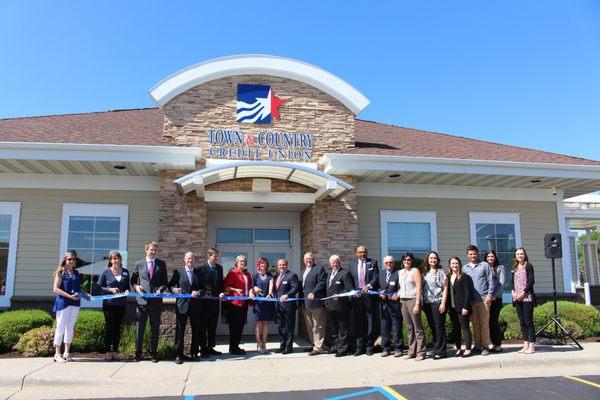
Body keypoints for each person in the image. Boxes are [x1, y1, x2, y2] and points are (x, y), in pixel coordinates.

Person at [131, 241, 168, 362]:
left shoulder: (161, 264)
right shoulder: (139, 264)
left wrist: (161, 289)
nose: (153, 252)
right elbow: (133, 281)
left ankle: (153, 354)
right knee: (139, 329)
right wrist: (136, 287)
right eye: (151, 249)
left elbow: (164, 282)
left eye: (155, 250)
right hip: (142, 301)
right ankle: (137, 354)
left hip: (156, 302)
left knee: (154, 329)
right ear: (146, 250)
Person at [52, 251, 91, 363]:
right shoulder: (61, 272)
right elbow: (56, 289)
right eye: (69, 259)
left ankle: (67, 352)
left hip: (75, 304)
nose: (71, 261)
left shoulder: (77, 273)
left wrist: (86, 294)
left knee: (70, 327)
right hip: (63, 303)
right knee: (60, 327)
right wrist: (69, 296)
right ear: (65, 260)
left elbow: (79, 289)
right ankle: (57, 353)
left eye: (73, 259)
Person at [168, 251, 205, 364]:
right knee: (180, 331)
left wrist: (198, 292)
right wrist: (173, 290)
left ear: (194, 260)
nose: (190, 260)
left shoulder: (199, 273)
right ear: (184, 259)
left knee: (196, 331)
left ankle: (194, 353)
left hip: (195, 307)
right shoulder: (178, 272)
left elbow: (203, 289)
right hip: (182, 305)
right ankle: (178, 355)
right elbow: (170, 286)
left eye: (192, 259)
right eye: (188, 258)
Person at [97, 251, 129, 361]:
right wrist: (109, 289)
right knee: (109, 328)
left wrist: (127, 291)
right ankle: (108, 352)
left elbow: (127, 287)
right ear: (110, 260)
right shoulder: (105, 272)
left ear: (121, 260)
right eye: (114, 259)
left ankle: (115, 352)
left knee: (117, 328)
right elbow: (99, 288)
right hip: (109, 305)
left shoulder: (125, 272)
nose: (116, 260)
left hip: (121, 304)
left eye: (118, 258)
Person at [463, 245, 495, 356]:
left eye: (474, 253)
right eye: (470, 254)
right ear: (467, 255)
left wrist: (489, 295)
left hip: (484, 300)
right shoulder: (465, 268)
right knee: (475, 324)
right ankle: (477, 345)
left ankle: (485, 346)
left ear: (478, 254)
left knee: (484, 324)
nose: (473, 256)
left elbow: (491, 281)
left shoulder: (484, 265)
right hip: (471, 301)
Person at [349, 245, 379, 356]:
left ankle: (369, 347)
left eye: (364, 252)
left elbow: (375, 277)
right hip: (357, 298)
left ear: (367, 252)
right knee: (359, 322)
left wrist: (369, 286)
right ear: (356, 253)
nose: (362, 254)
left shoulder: (373, 263)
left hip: (369, 296)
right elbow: (350, 279)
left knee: (370, 322)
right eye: (360, 252)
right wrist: (353, 291)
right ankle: (359, 347)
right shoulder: (352, 264)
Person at [397, 252, 426, 361]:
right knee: (409, 328)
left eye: (408, 259)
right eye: (404, 260)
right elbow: (402, 287)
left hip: (413, 300)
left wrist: (417, 304)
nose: (406, 261)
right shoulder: (400, 272)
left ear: (411, 261)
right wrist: (398, 293)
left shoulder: (415, 271)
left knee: (417, 327)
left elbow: (419, 288)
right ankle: (411, 351)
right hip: (403, 301)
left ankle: (421, 352)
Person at [325, 255, 354, 357]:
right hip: (330, 306)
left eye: (336, 262)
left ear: (339, 263)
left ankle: (343, 349)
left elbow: (349, 289)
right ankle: (335, 347)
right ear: (330, 264)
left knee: (342, 329)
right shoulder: (329, 273)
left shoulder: (345, 273)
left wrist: (340, 296)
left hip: (341, 306)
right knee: (334, 328)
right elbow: (328, 288)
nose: (334, 264)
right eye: (333, 262)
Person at [198, 248, 225, 358]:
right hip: (204, 303)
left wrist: (222, 292)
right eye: (215, 256)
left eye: (217, 256)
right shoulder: (201, 269)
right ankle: (203, 348)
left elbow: (221, 285)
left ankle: (210, 347)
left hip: (215, 303)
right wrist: (204, 291)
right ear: (209, 256)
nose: (216, 258)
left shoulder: (219, 268)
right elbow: (199, 284)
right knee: (203, 326)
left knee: (212, 326)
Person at [299, 252, 327, 356]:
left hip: (317, 303)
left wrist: (314, 292)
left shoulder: (319, 269)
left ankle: (318, 347)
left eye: (310, 258)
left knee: (318, 325)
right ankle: (313, 344)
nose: (308, 260)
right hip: (306, 304)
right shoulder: (302, 271)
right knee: (310, 326)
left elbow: (322, 283)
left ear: (313, 259)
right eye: (306, 259)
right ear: (304, 260)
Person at [223, 255, 252, 355]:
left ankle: (236, 346)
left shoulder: (247, 274)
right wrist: (235, 290)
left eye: (244, 261)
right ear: (236, 263)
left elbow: (250, 287)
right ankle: (233, 348)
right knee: (234, 327)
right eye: (240, 261)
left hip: (244, 303)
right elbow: (226, 287)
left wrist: (252, 291)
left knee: (240, 326)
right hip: (234, 304)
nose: (242, 263)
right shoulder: (232, 272)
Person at [422, 251, 448, 359]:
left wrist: (443, 303)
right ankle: (436, 348)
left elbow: (445, 288)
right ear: (427, 260)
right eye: (431, 258)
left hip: (438, 303)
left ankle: (441, 351)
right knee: (433, 327)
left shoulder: (441, 272)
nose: (433, 260)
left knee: (439, 327)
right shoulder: (424, 272)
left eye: (435, 258)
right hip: (427, 304)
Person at [446, 256, 474, 357]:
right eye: (453, 263)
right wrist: (448, 306)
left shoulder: (464, 276)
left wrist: (466, 307)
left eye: (456, 263)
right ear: (450, 265)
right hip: (452, 308)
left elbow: (467, 293)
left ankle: (468, 349)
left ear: (459, 264)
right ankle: (458, 348)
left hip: (462, 308)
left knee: (465, 328)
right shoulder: (448, 277)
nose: (454, 265)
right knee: (456, 329)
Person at [512, 247, 536, 354]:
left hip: (526, 297)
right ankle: (525, 344)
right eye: (518, 254)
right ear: (515, 256)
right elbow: (512, 282)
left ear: (525, 255)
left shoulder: (528, 265)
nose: (520, 256)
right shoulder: (515, 267)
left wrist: (522, 293)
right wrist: (513, 292)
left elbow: (531, 282)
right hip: (517, 298)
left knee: (528, 321)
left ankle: (532, 345)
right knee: (522, 322)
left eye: (521, 254)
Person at [378, 255, 403, 357]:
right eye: (386, 262)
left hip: (395, 305)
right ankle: (385, 349)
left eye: (390, 262)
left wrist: (397, 293)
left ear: (394, 263)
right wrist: (380, 293)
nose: (388, 264)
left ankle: (398, 349)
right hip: (383, 305)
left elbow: (402, 287)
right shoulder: (381, 273)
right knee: (384, 328)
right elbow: (377, 287)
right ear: (384, 264)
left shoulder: (398, 273)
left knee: (396, 327)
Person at [273, 258, 300, 354]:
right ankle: (282, 346)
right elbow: (276, 290)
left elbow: (295, 288)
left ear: (287, 265)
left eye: (283, 265)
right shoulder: (276, 276)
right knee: (281, 327)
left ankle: (288, 348)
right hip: (279, 306)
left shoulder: (292, 275)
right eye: (279, 265)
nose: (281, 266)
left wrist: (287, 295)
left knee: (289, 328)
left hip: (289, 306)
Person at [251, 257, 274, 354]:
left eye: (264, 263)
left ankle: (264, 344)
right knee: (258, 323)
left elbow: (271, 285)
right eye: (261, 263)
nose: (263, 265)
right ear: (259, 265)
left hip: (267, 303)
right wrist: (255, 288)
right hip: (258, 303)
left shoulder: (270, 275)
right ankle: (258, 344)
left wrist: (269, 293)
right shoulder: (255, 275)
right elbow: (252, 287)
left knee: (265, 323)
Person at [486, 250, 506, 353]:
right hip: (486, 299)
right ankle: (492, 344)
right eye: (488, 256)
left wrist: (494, 296)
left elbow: (502, 284)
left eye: (492, 256)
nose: (490, 258)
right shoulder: (484, 268)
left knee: (494, 321)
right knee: (488, 322)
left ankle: (498, 345)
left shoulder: (500, 268)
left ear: (495, 257)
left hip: (496, 299)